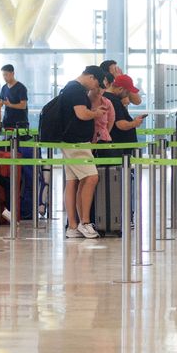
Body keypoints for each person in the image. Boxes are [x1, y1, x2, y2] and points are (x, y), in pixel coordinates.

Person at [61, 66, 107, 239]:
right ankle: (85, 222)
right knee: (92, 177)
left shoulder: (70, 87)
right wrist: (95, 113)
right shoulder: (76, 90)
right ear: (90, 76)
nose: (94, 87)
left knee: (73, 181)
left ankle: (73, 226)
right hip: (76, 143)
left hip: (70, 141)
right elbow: (81, 114)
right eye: (95, 82)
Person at [101, 74, 146, 154]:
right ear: (121, 88)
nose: (128, 95)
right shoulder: (114, 101)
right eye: (128, 92)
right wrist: (134, 123)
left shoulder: (106, 97)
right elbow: (121, 124)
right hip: (119, 148)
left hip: (116, 146)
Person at [0, 64, 29, 129]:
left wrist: (10, 105)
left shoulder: (21, 88)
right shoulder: (4, 88)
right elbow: (0, 102)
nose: (4, 77)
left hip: (20, 123)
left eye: (6, 74)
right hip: (7, 122)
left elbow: (23, 106)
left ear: (12, 73)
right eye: (3, 75)